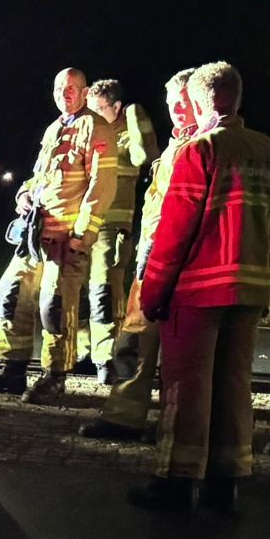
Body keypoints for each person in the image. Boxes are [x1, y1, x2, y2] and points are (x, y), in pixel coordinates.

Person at [129, 62, 270, 513]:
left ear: (199, 102)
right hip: (250, 288)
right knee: (234, 384)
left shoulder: (200, 150)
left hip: (198, 289)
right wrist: (266, 283)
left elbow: (174, 231)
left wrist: (154, 291)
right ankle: (226, 482)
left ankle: (177, 482)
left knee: (187, 387)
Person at [0, 67, 103, 402]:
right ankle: (13, 371)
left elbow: (101, 186)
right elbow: (40, 176)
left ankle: (54, 377)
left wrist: (81, 234)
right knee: (10, 294)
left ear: (85, 92)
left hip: (65, 240)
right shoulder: (54, 128)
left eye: (72, 88)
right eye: (60, 88)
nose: (65, 93)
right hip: (34, 237)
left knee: (55, 307)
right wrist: (23, 194)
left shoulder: (94, 127)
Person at [83, 69, 198, 440]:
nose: (175, 110)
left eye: (183, 102)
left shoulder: (204, 145)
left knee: (179, 346)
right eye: (171, 103)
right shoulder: (178, 144)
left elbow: (142, 157)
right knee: (134, 335)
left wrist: (134, 117)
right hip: (153, 250)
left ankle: (175, 426)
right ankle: (123, 417)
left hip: (176, 254)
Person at [75, 78, 159, 382]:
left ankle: (106, 358)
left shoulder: (126, 136)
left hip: (112, 228)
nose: (94, 115)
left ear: (117, 107)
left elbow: (144, 156)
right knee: (80, 293)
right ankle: (84, 352)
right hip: (84, 225)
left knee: (104, 292)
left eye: (100, 109)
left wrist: (136, 117)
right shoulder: (90, 133)